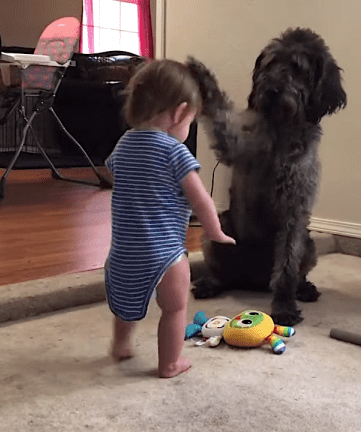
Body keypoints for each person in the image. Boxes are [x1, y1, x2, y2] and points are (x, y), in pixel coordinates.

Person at [104, 59, 235, 378]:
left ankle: (121, 344)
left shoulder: (123, 144)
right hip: (165, 253)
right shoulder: (174, 152)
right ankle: (170, 363)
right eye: (190, 120)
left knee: (126, 303)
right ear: (179, 113)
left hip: (123, 250)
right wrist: (216, 230)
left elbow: (114, 173)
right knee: (175, 309)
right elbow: (200, 198)